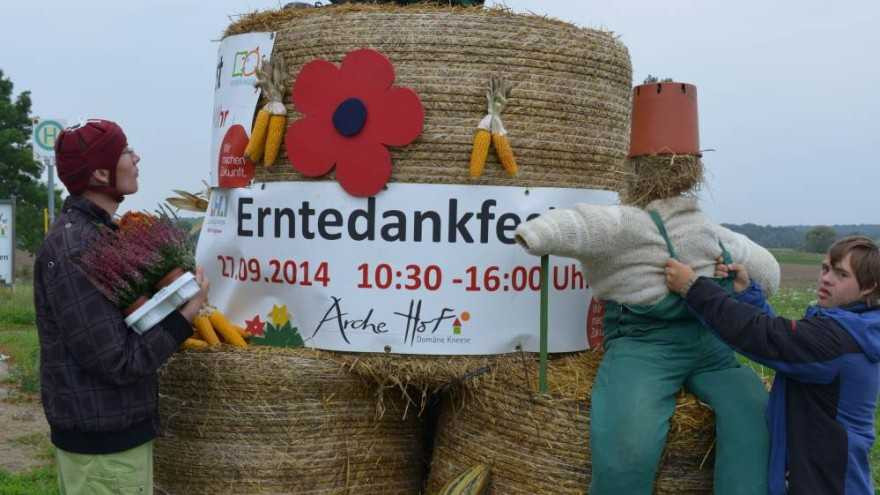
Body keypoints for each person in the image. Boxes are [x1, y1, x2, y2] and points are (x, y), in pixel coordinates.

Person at [33, 119, 209, 495]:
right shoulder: (78, 249)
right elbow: (118, 359)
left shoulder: (98, 235)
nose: (136, 157)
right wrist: (185, 316)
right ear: (100, 172)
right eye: (126, 151)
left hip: (111, 439)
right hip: (104, 447)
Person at [665, 236, 880, 495]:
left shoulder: (837, 340)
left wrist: (693, 287)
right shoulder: (855, 329)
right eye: (825, 268)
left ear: (869, 287)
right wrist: (747, 294)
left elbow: (763, 336)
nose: (826, 278)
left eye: (841, 274)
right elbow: (790, 346)